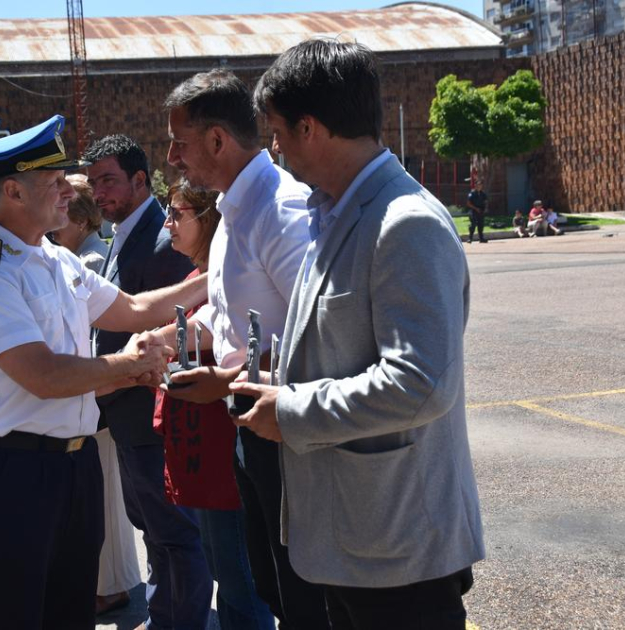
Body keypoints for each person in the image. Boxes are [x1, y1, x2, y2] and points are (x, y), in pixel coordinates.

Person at [230, 39, 486, 629]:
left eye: (277, 132)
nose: (274, 148)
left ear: (311, 128)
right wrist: (271, 384)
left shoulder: (405, 224)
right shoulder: (335, 212)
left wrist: (290, 410)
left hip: (398, 547)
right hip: (354, 541)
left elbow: (420, 384)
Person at [0, 115, 208, 630]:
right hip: (16, 473)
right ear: (15, 192)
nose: (70, 192)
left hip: (75, 464)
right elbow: (41, 374)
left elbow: (132, 309)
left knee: (71, 612)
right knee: (17, 615)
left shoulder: (54, 260)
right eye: (55, 182)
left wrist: (214, 280)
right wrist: (130, 364)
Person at [156, 69, 331, 629]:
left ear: (216, 140)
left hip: (292, 440)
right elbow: (233, 313)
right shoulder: (235, 208)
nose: (172, 158)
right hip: (251, 433)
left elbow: (323, 337)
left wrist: (223, 383)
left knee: (302, 598)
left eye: (180, 144)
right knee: (268, 587)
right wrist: (179, 334)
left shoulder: (279, 211)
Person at [84, 134, 210, 630]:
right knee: (156, 535)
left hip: (154, 419)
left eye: (109, 180)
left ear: (141, 180)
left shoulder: (163, 239)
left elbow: (182, 326)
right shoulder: (124, 233)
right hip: (127, 416)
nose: (99, 192)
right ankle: (165, 618)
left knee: (176, 536)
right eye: (94, 183)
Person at [155, 178, 275, 630]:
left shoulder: (220, 279)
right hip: (204, 461)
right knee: (230, 577)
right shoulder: (199, 279)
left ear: (208, 218)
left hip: (224, 460)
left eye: (178, 213)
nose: (168, 224)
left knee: (242, 584)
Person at [50, 173, 142, 616]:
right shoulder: (88, 254)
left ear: (82, 218)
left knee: (105, 499)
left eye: (64, 213)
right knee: (108, 498)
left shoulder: (84, 262)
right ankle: (115, 581)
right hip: (98, 388)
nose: (54, 224)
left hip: (96, 390)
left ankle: (110, 585)